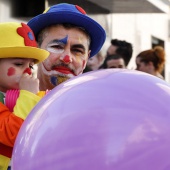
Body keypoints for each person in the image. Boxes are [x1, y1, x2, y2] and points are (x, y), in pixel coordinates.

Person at [0, 22, 49, 170]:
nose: (27, 72)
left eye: (31, 66)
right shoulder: (27, 96)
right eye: (19, 64)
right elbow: (14, 135)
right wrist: (28, 95)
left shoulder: (28, 96)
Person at [27, 3, 106, 91]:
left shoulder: (95, 103)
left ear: (87, 57)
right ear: (36, 49)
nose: (67, 58)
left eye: (77, 50)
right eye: (57, 47)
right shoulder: (14, 102)